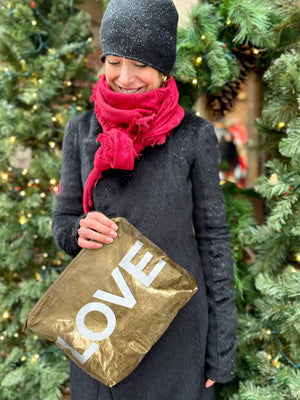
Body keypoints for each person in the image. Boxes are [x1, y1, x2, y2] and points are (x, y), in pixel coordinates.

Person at [52, 0, 238, 399]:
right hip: (101, 329)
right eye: (114, 61)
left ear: (163, 67)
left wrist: (220, 351)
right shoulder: (82, 131)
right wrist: (78, 231)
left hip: (177, 337)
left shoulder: (193, 136)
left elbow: (214, 239)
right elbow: (64, 220)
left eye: (140, 63)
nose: (125, 76)